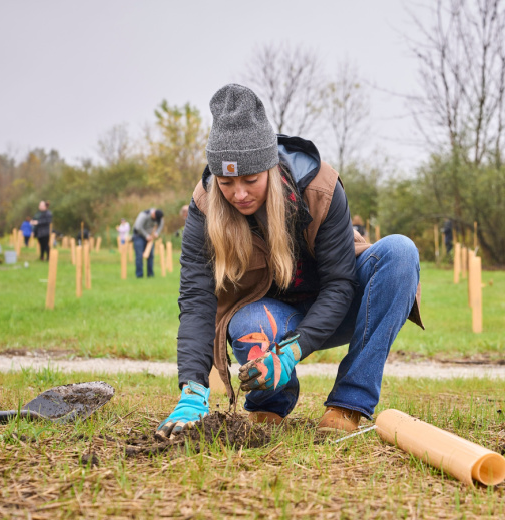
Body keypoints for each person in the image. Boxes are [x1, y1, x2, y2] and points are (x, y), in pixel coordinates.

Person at [156, 84, 422, 439]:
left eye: (251, 180)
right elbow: (196, 299)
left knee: (401, 253)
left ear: (269, 167)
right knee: (252, 325)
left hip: (339, 307)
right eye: (226, 182)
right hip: (269, 315)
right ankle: (271, 403)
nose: (239, 194)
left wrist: (292, 351)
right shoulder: (205, 206)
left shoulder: (320, 186)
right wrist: (193, 389)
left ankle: (349, 402)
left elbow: (340, 284)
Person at [132, 208, 164, 278]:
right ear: (153, 214)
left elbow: (161, 224)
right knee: (139, 256)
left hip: (150, 238)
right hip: (139, 236)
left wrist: (156, 233)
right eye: (155, 218)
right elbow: (138, 227)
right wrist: (146, 235)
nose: (156, 221)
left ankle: (150, 275)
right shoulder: (143, 215)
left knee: (150, 256)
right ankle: (139, 275)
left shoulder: (158, 217)